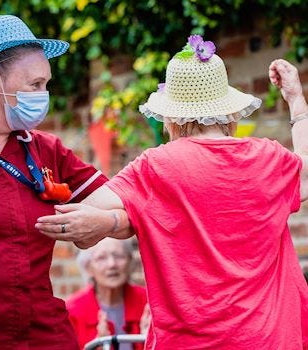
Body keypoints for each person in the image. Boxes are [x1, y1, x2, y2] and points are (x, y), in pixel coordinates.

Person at [36, 36, 308, 349]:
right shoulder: (268, 159)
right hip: (270, 339)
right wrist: (296, 100)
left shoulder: (157, 167)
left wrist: (114, 219)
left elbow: (89, 205)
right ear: (230, 113)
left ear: (172, 118)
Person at [0, 14, 126, 349]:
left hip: (43, 335)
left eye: (46, 84)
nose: (43, 95)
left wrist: (106, 221)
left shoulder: (47, 151)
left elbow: (124, 202)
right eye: (35, 85)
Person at [66, 237, 150, 349]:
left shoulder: (148, 303)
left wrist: (152, 342)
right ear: (88, 268)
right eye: (101, 258)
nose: (112, 264)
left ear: (130, 261)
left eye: (119, 256)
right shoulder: (71, 312)